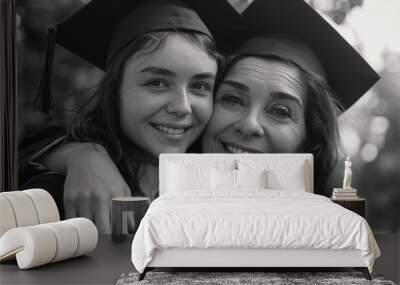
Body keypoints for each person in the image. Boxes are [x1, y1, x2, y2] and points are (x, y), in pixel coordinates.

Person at [18, 0, 245, 233]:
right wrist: (79, 156)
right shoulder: (72, 191)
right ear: (114, 91)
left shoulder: (220, 179)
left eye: (199, 86)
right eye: (157, 83)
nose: (183, 107)